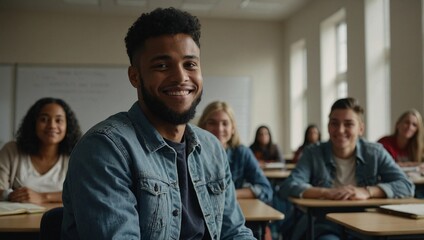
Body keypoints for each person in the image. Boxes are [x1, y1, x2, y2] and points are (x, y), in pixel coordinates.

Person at [61, 8, 255, 240]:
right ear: (135, 76)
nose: (181, 77)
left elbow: (234, 232)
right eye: (162, 66)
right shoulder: (105, 149)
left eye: (190, 64)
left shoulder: (211, 147)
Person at [279, 97, 414, 240]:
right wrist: (327, 193)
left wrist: (367, 191)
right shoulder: (313, 153)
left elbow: (406, 185)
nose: (340, 130)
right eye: (334, 123)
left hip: (367, 221)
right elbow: (289, 186)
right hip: (324, 221)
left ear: (361, 128)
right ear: (328, 126)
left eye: (348, 124)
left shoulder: (375, 152)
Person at [0, 97, 81, 204]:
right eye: (44, 119)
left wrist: (43, 197)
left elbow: (83, 192)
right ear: (33, 123)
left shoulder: (76, 154)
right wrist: (10, 195)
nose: (52, 126)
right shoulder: (11, 150)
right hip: (17, 219)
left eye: (58, 120)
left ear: (68, 126)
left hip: (61, 219)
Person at [198, 101, 273, 203]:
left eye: (225, 123)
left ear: (232, 128)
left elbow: (266, 190)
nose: (219, 129)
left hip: (231, 212)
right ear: (202, 126)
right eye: (212, 123)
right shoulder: (192, 153)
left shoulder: (242, 153)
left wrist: (228, 194)